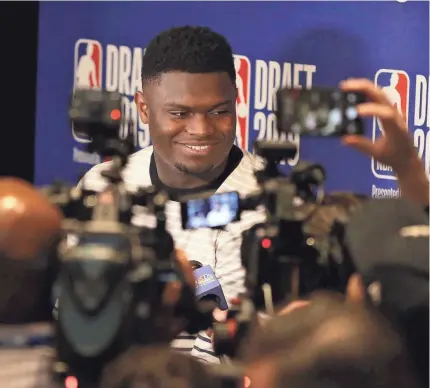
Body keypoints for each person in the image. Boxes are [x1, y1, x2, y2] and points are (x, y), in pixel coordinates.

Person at [79, 26, 266, 363]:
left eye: (219, 111)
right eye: (179, 113)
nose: (201, 130)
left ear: (237, 100)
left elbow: (246, 360)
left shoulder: (266, 204)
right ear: (144, 107)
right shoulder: (103, 185)